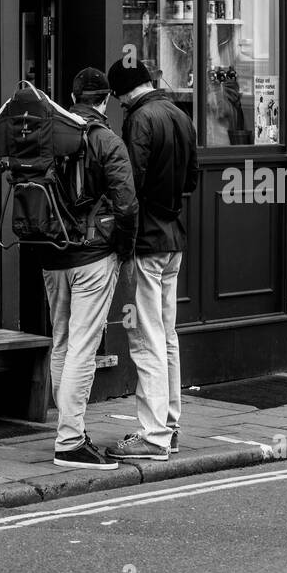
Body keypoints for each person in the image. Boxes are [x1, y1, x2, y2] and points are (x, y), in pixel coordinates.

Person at [38, 67, 139, 469]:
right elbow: (127, 204)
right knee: (82, 345)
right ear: (105, 99)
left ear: (74, 95)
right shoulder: (106, 140)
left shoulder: (47, 134)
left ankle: (68, 431)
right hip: (93, 256)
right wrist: (125, 252)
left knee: (61, 342)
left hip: (51, 253)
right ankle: (70, 441)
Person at [104, 59, 199, 462]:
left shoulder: (139, 119)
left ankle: (154, 435)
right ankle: (170, 425)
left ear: (123, 92)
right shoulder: (180, 115)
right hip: (174, 238)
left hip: (147, 241)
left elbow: (131, 184)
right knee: (168, 334)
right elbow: (192, 180)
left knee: (146, 337)